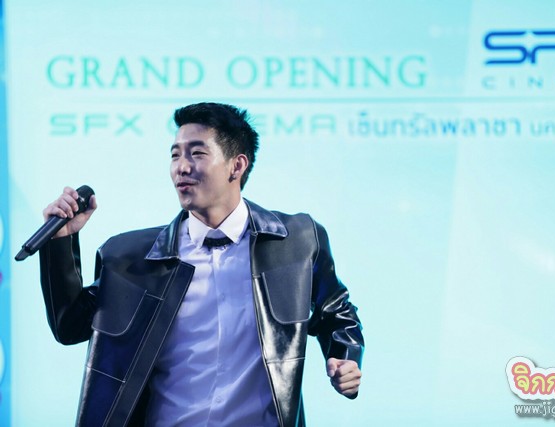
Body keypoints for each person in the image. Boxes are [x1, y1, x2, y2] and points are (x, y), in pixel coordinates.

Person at [38, 102, 364, 427]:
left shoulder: (296, 241)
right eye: (175, 155)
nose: (181, 167)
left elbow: (336, 312)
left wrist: (345, 356)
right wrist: (60, 241)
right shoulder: (130, 257)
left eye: (197, 153)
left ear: (236, 166)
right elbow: (70, 327)